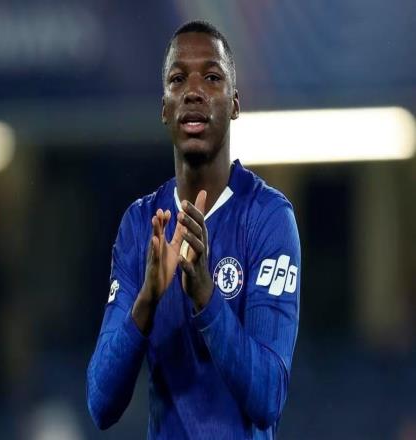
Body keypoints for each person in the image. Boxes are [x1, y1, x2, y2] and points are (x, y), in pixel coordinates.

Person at [87, 20, 300, 439]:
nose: (194, 91)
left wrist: (205, 294)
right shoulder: (141, 226)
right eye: (178, 79)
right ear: (164, 108)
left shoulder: (269, 218)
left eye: (212, 77)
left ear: (235, 103)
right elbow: (100, 404)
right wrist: (147, 301)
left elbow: (268, 398)